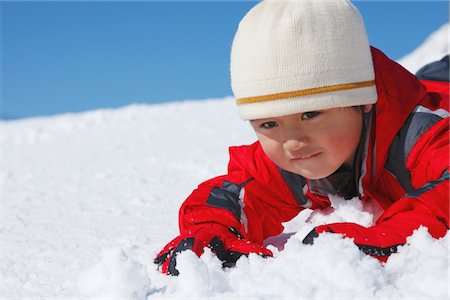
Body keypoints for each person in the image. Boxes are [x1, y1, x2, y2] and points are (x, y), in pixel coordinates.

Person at [154, 0, 449, 275]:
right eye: (269, 123)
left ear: (363, 99)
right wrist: (210, 230)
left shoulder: (423, 133)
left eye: (310, 114)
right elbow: (237, 192)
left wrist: (389, 235)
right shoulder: (293, 155)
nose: (292, 141)